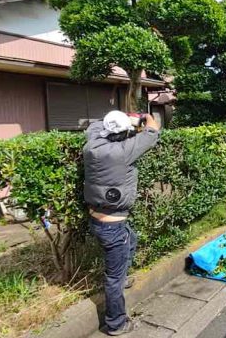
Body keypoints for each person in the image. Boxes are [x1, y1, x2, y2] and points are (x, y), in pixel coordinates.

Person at [83, 110, 160, 336]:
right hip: (113, 225)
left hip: (98, 220)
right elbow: (153, 131)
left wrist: (122, 118)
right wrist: (144, 117)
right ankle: (116, 323)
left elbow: (96, 125)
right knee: (113, 278)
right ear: (124, 131)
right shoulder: (123, 151)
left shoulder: (92, 145)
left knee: (131, 240)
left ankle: (122, 277)